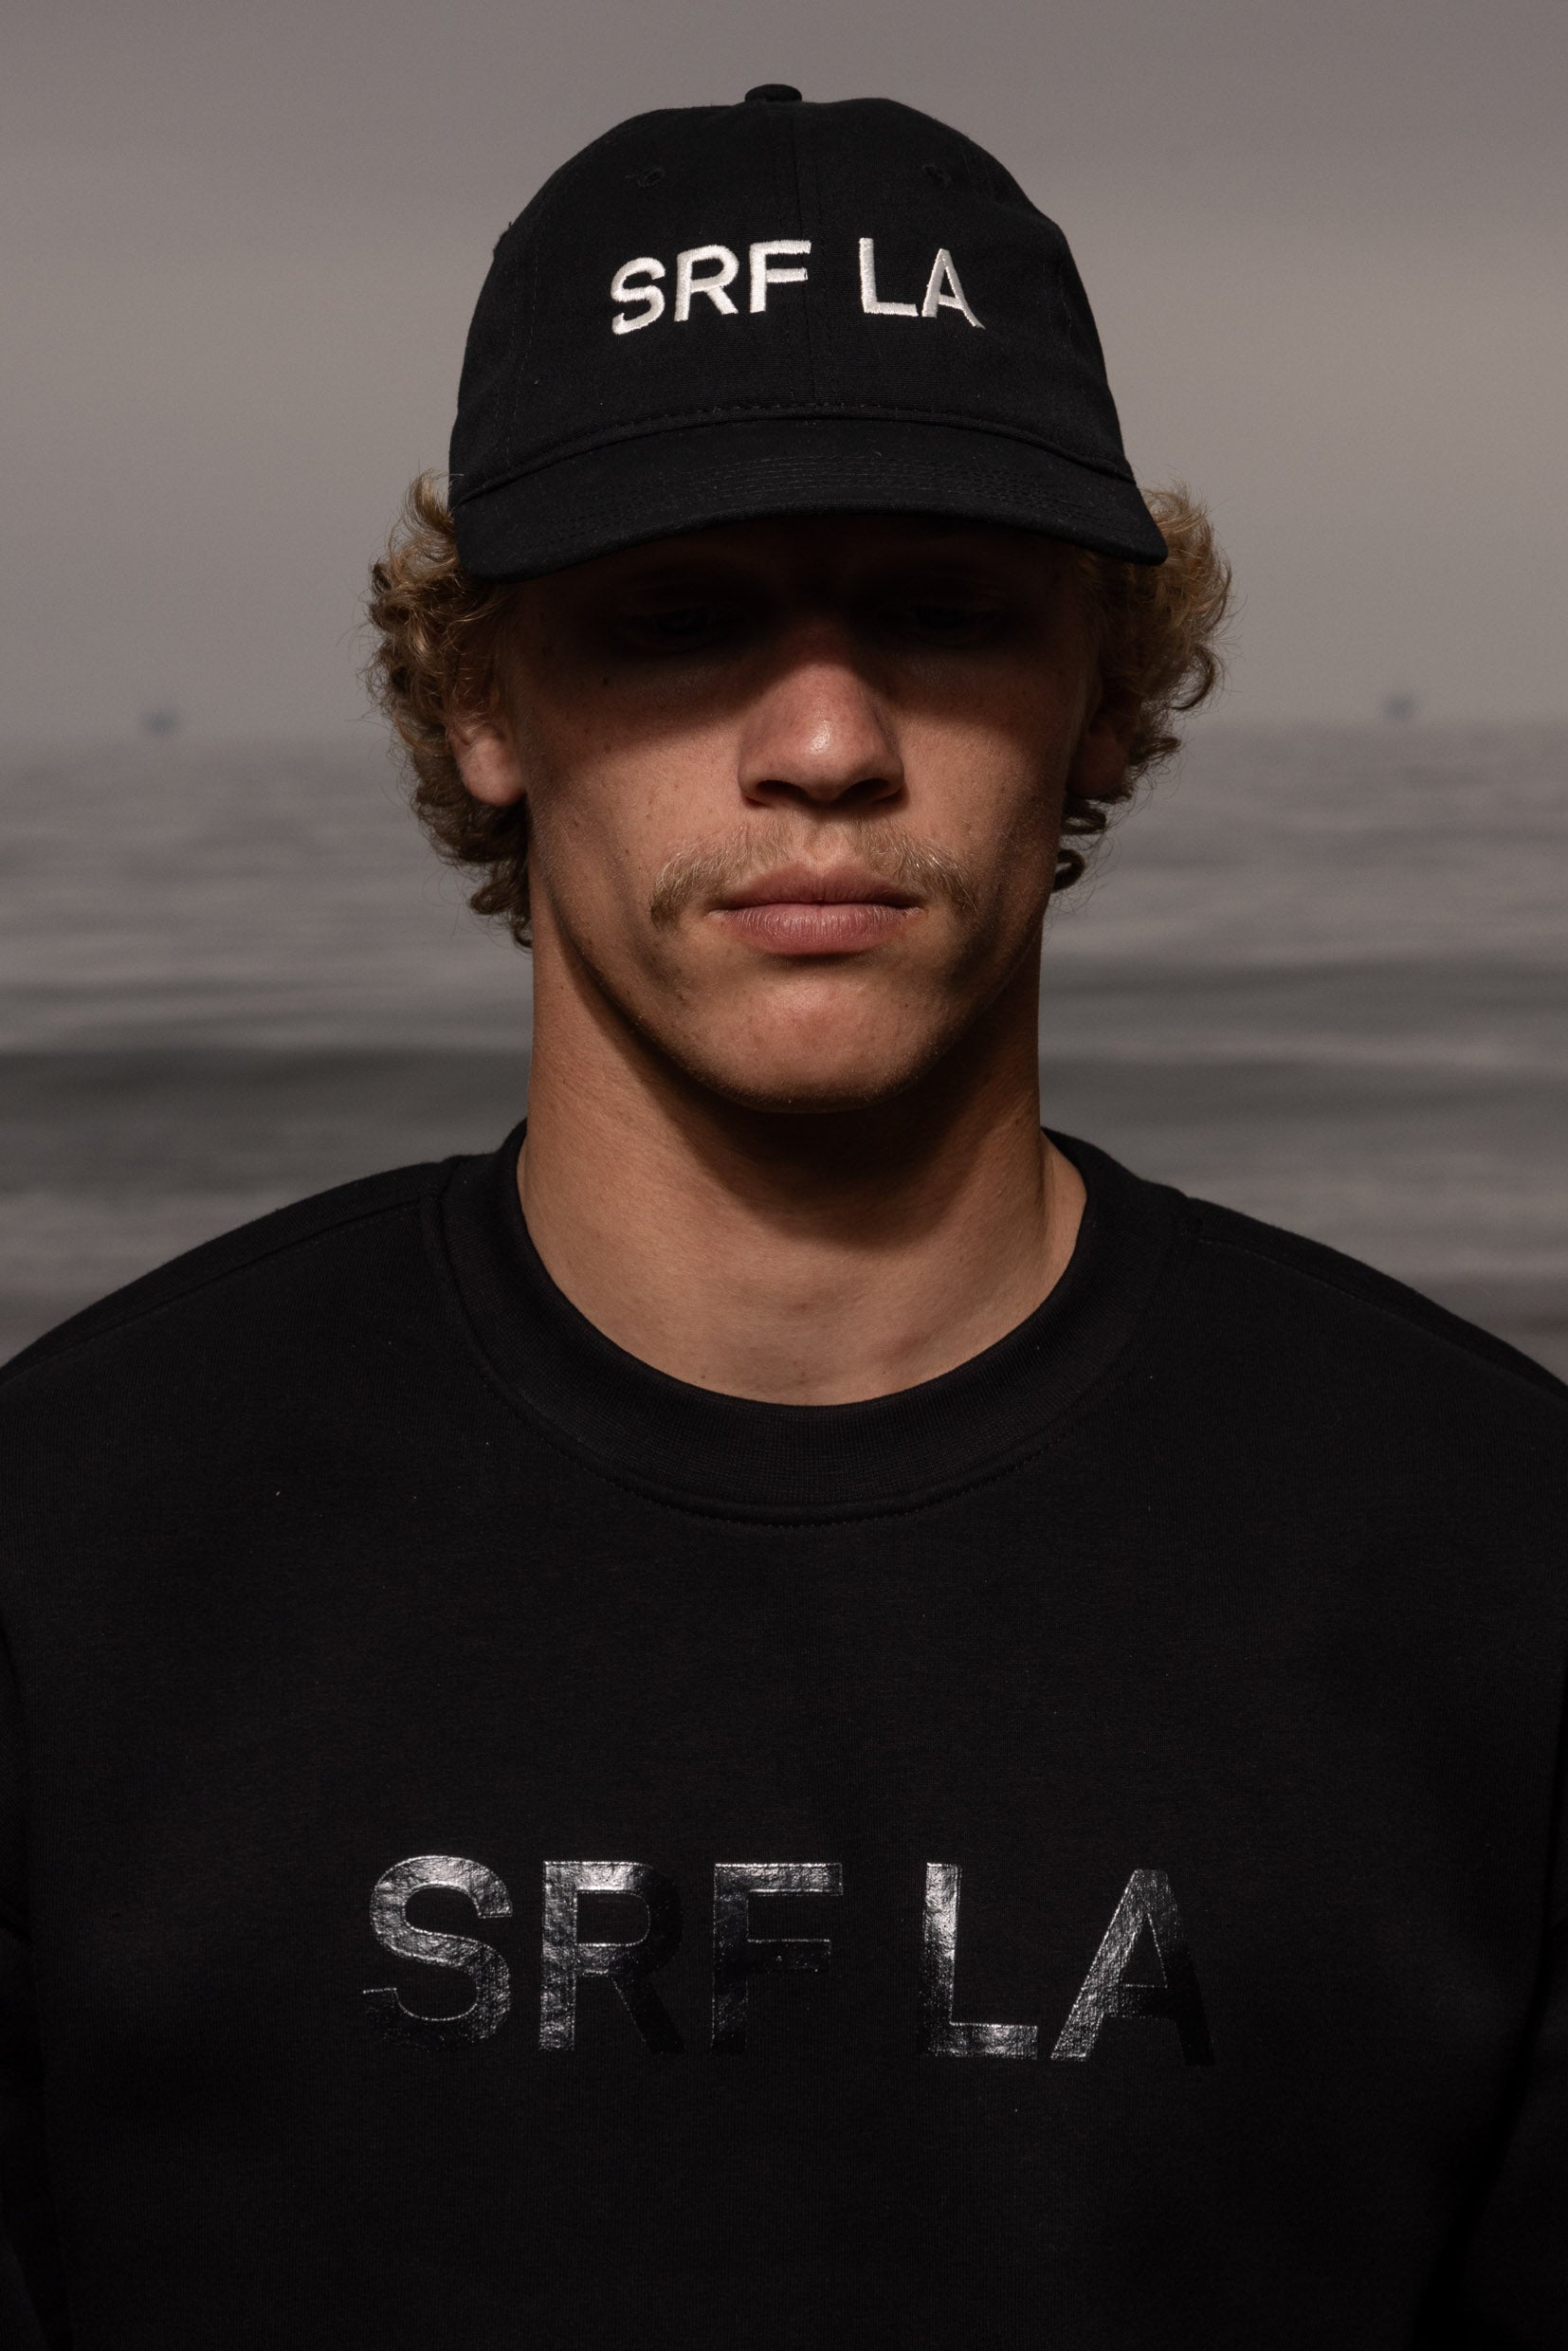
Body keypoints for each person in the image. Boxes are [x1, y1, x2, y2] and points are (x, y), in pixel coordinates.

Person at [0, 85, 1562, 2351]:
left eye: (937, 611)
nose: (822, 740)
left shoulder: (1490, 1569)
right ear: (481, 702)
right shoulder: (69, 1553)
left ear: (1098, 693)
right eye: (677, 617)